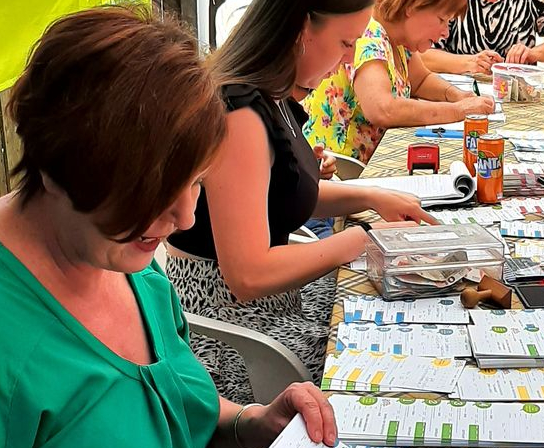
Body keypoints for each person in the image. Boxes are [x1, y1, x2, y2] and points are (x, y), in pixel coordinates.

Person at [0, 7, 337, 448]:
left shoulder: (126, 262)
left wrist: (256, 423)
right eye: (152, 192)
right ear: (58, 168)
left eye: (195, 182)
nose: (184, 216)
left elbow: (177, 424)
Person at [166, 0, 438, 404]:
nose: (349, 59)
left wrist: (373, 196)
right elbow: (248, 275)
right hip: (231, 333)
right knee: (386, 362)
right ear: (301, 29)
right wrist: (363, 239)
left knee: (398, 315)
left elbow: (276, 195)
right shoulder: (239, 115)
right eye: (345, 43)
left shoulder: (272, 96)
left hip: (273, 306)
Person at [302, 0, 496, 164]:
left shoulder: (399, 40)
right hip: (340, 167)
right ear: (412, 6)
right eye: (442, 20)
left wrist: (458, 96)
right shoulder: (370, 35)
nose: (446, 32)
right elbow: (382, 109)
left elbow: (421, 80)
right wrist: (458, 110)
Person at [421, 0, 544, 74]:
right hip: (458, 89)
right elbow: (422, 53)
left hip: (519, 92)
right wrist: (470, 62)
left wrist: (533, 53)